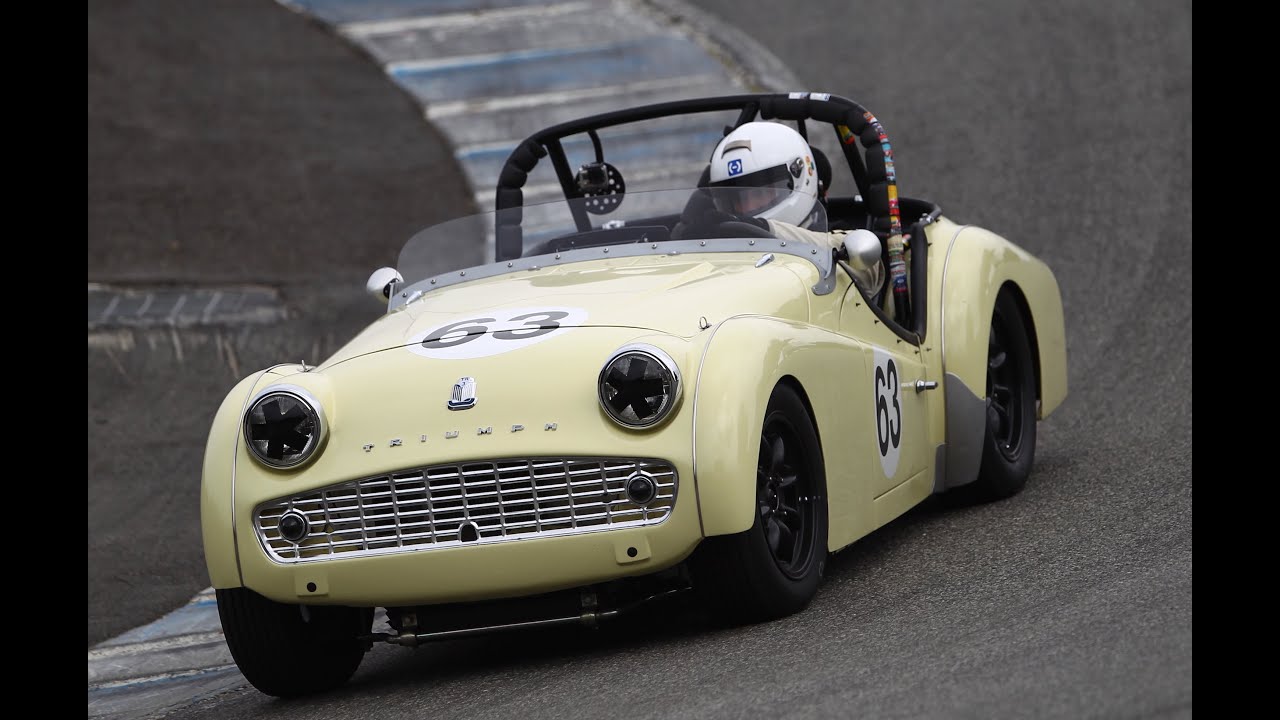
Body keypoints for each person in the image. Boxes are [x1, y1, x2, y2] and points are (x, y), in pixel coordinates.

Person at [675, 121, 888, 300]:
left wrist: (762, 229)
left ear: (799, 177)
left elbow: (868, 270)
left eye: (760, 194)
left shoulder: (846, 244)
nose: (747, 209)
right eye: (736, 200)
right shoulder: (718, 244)